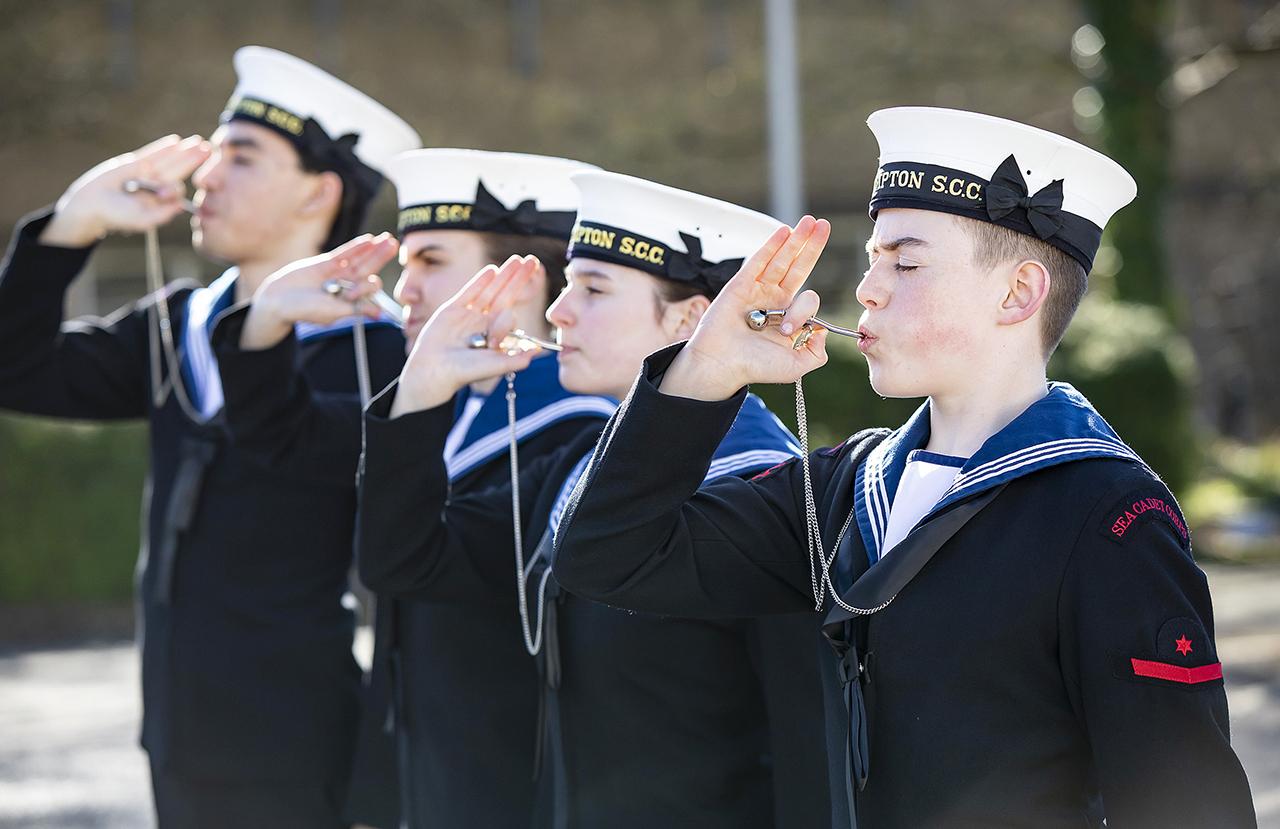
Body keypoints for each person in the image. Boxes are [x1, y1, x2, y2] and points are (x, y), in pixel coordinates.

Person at [552, 107, 1258, 828]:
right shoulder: (848, 485)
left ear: (1018, 294)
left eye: (906, 262)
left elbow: (1187, 804)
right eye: (871, 259)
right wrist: (705, 367)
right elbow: (603, 553)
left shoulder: (1105, 512)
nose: (866, 288)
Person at [0, 46, 419, 827]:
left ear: (319, 193)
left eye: (242, 159)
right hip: (176, 739)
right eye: (211, 157)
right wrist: (71, 224)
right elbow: (16, 368)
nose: (206, 178)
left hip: (301, 749)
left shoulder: (377, 350)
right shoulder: (176, 324)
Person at [358, 170, 831, 828]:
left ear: (694, 319)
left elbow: (805, 745)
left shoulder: (759, 485)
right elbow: (405, 561)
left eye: (594, 289)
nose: (557, 311)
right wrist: (420, 392)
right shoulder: (583, 465)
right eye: (569, 283)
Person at [211, 149, 614, 828]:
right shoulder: (438, 409)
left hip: (517, 787)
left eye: (430, 262)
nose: (406, 289)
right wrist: (268, 313)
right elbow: (278, 435)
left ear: (516, 282)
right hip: (421, 781)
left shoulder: (577, 430)